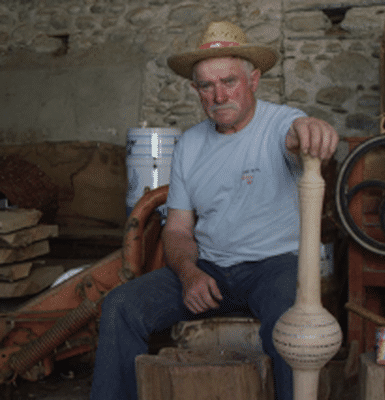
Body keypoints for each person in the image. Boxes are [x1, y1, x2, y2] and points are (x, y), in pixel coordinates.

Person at [90, 20, 339, 400]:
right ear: (195, 90)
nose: (219, 95)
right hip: (210, 268)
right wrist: (189, 275)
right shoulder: (190, 144)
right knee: (121, 305)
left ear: (253, 80)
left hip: (275, 265)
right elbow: (176, 231)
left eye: (230, 82)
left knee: (294, 326)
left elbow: (297, 135)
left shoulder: (280, 122)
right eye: (206, 85)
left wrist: (311, 130)